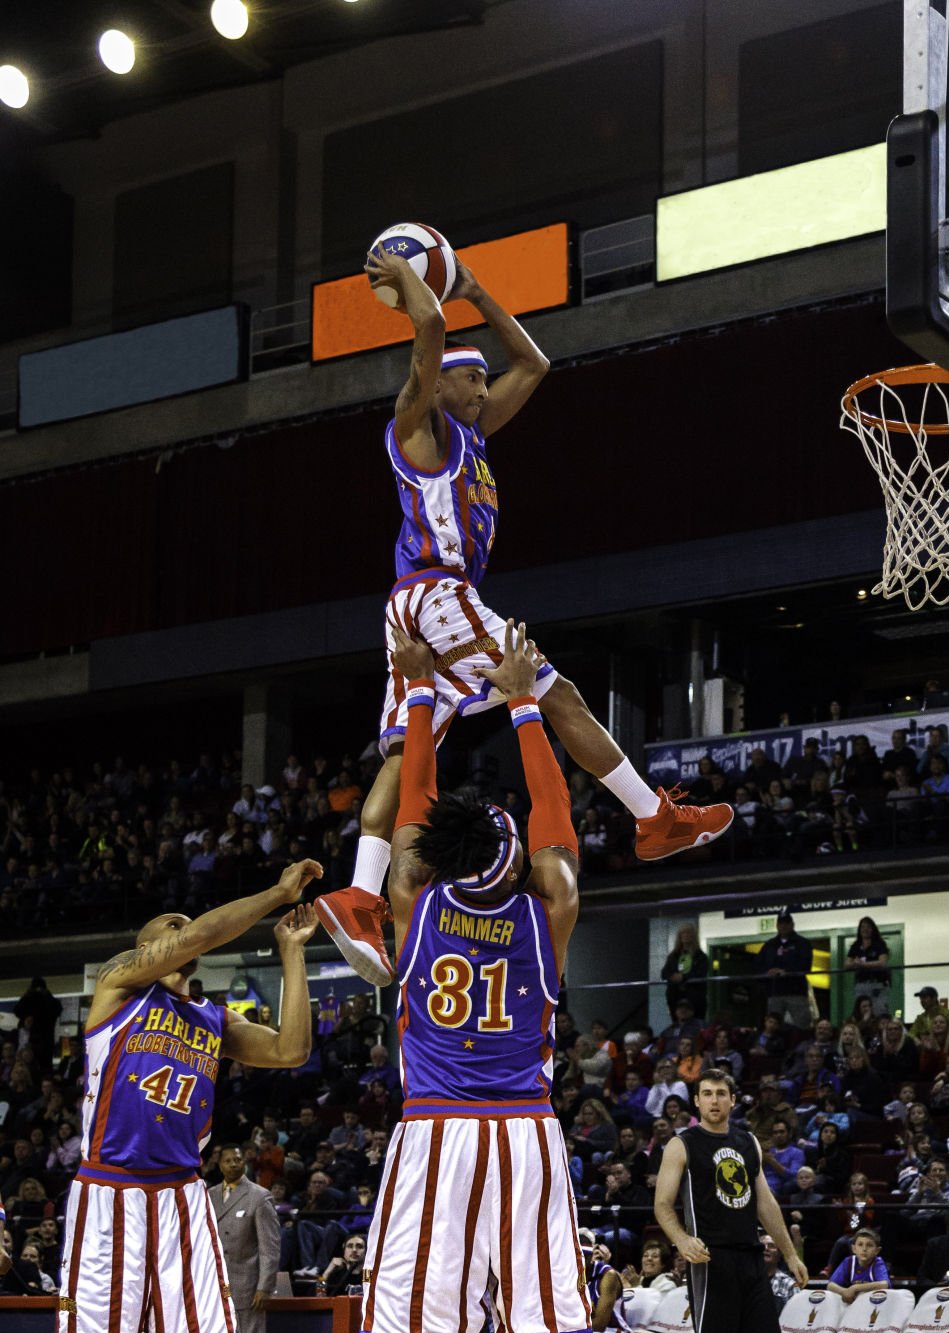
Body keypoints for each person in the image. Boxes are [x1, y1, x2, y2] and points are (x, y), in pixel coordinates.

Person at [315, 622, 704, 1333]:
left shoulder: (410, 901)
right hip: (529, 1136)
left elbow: (410, 812)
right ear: (516, 860)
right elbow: (550, 814)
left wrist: (414, 698)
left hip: (438, 1137)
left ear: (442, 859)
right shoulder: (554, 905)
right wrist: (525, 702)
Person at [311, 253, 731, 988]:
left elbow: (533, 363)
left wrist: (479, 289)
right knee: (552, 692)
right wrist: (416, 271)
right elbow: (432, 326)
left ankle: (359, 891)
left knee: (404, 754)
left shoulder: (471, 437)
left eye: (480, 378)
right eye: (469, 376)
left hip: (418, 605)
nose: (482, 386)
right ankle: (652, 817)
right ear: (436, 379)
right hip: (436, 593)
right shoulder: (418, 429)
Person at [56, 859, 320, 1333]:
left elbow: (292, 1049)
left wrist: (293, 950)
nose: (182, 938)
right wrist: (275, 892)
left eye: (184, 932)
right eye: (165, 932)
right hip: (107, 1196)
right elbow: (196, 932)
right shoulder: (117, 992)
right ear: (144, 953)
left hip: (180, 1201)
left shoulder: (210, 1024)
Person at [654, 1067, 808, 1333]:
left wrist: (791, 1255)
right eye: (707, 1093)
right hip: (708, 1259)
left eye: (722, 1093)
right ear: (697, 1101)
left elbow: (766, 1203)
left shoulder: (747, 1141)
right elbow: (663, 1205)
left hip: (750, 1257)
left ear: (733, 1100)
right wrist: (681, 1241)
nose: (715, 1100)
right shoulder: (681, 1144)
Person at [208, 1143, 281, 1333]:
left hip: (247, 1286)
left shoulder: (259, 1197)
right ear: (220, 1163)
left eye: (237, 1159)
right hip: (216, 1290)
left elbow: (270, 1247)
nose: (233, 1164)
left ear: (244, 1163)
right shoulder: (209, 1195)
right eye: (227, 1159)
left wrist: (265, 1285)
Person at [755, 911, 814, 1028]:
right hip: (775, 992)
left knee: (802, 1025)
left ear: (792, 924)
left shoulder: (802, 943)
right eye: (781, 923)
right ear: (777, 925)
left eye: (786, 923)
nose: (783, 926)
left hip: (796, 992)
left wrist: (786, 972)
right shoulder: (769, 945)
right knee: (773, 1027)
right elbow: (757, 965)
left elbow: (806, 965)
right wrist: (768, 972)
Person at [826, 1228, 889, 1300]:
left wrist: (855, 1288)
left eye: (869, 1245)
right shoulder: (849, 1262)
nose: (864, 1249)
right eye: (860, 1244)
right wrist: (844, 1292)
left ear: (877, 1251)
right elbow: (830, 1285)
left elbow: (884, 1284)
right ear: (854, 1249)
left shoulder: (878, 1263)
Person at [844, 916, 891, 1013]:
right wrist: (854, 963)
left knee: (879, 1011)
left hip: (877, 984)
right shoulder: (856, 945)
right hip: (861, 985)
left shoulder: (879, 944)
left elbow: (882, 962)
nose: (865, 930)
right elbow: (847, 964)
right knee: (861, 1012)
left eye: (868, 927)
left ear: (873, 929)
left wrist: (862, 964)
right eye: (863, 927)